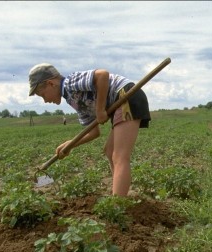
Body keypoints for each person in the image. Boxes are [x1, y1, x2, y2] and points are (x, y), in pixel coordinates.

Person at [28, 63, 151, 196]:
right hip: (120, 103)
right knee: (110, 151)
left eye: (42, 95)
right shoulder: (73, 100)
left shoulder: (70, 83)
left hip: (126, 95)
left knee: (119, 155)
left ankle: (118, 203)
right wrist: (71, 144)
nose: (45, 101)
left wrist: (99, 109)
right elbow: (94, 132)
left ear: (51, 84)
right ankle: (120, 193)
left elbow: (102, 75)